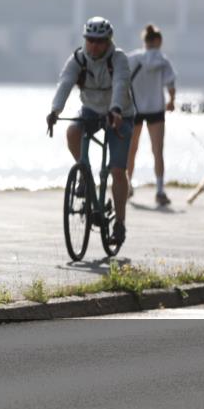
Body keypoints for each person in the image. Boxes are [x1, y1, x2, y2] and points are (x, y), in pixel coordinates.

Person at [46, 17, 135, 245]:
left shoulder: (118, 59)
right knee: (72, 132)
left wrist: (115, 109)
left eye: (99, 41)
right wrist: (55, 111)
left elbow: (120, 84)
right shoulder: (78, 59)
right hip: (91, 110)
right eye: (90, 41)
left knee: (117, 170)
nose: (93, 46)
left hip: (120, 113)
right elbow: (65, 83)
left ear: (108, 42)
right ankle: (84, 176)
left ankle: (120, 224)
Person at [127, 24, 177, 206]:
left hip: (135, 108)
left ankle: (127, 185)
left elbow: (121, 78)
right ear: (157, 41)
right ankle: (160, 190)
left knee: (131, 150)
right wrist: (172, 100)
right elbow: (170, 83)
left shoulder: (133, 58)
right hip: (156, 108)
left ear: (145, 41)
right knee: (158, 151)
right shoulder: (163, 60)